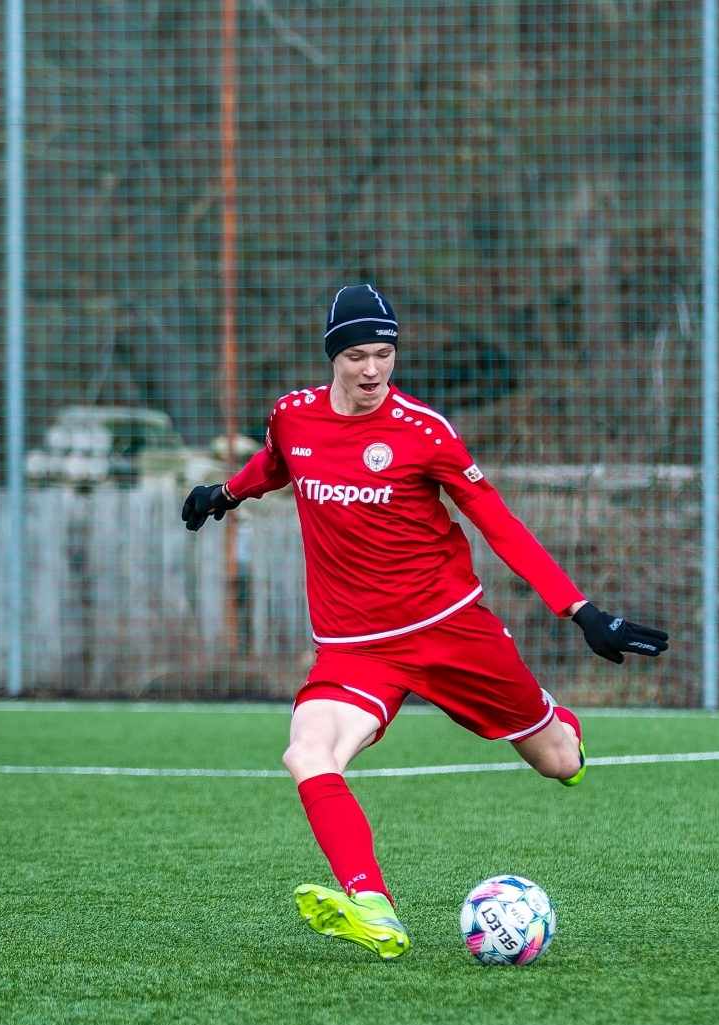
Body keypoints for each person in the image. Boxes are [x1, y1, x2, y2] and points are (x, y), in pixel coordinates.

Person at [181, 285, 665, 959]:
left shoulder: (424, 432)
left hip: (450, 630)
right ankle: (372, 905)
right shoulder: (293, 416)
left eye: (384, 354)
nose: (372, 370)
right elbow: (278, 462)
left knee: (559, 762)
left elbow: (499, 524)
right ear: (332, 356)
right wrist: (227, 493)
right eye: (356, 355)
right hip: (353, 648)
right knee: (307, 752)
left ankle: (559, 722)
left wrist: (580, 610)